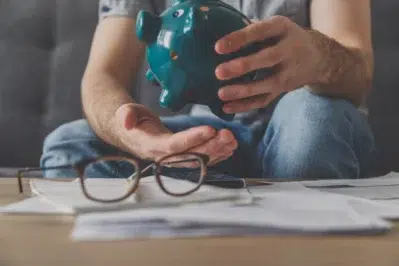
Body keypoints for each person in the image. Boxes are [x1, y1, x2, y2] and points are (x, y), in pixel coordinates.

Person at [40, 0, 375, 180]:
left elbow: (359, 73)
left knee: (311, 132)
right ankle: (236, 198)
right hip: (212, 138)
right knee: (69, 147)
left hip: (303, 117)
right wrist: (136, 137)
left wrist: (318, 57)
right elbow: (102, 78)